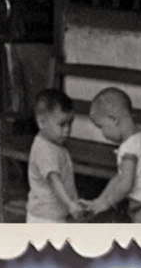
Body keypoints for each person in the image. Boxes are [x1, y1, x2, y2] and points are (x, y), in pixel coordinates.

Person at [81, 86, 141, 222]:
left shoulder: (130, 148)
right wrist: (99, 200)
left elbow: (125, 184)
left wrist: (107, 203)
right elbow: (119, 178)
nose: (102, 133)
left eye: (101, 127)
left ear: (114, 120)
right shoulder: (137, 138)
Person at [26, 88, 83, 222]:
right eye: (62, 124)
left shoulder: (54, 143)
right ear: (41, 122)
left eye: (70, 123)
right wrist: (70, 204)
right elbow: (54, 180)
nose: (67, 130)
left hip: (53, 213)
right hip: (46, 218)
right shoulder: (45, 150)